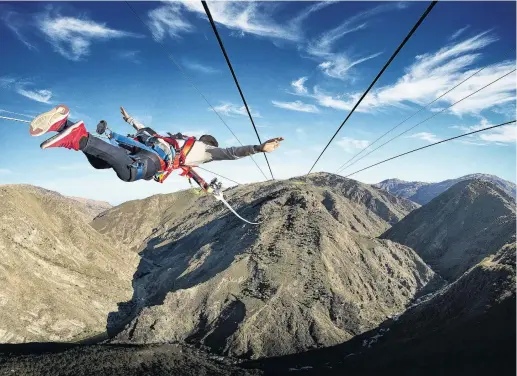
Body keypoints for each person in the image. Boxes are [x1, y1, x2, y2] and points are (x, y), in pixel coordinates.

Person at [29, 104, 284, 184]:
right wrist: (259, 148)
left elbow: (142, 129)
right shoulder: (204, 151)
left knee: (101, 162)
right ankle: (77, 137)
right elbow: (230, 153)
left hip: (143, 144)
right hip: (154, 158)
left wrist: (129, 118)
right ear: (209, 144)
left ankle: (62, 124)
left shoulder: (177, 139)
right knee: (129, 173)